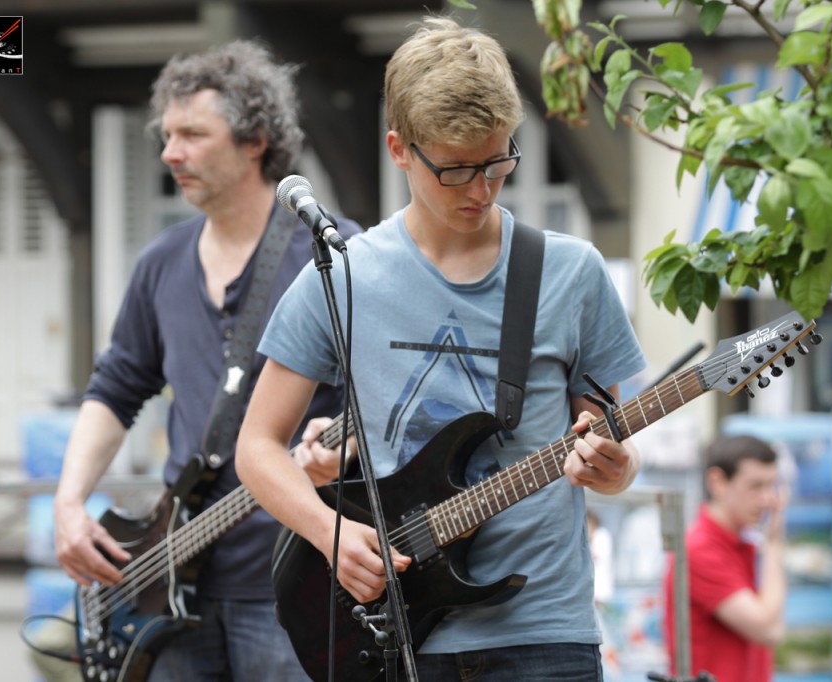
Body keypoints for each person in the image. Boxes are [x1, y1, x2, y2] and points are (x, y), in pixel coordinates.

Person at [236, 16, 647, 681]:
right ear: (400, 150)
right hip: (393, 636)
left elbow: (607, 442)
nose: (481, 191)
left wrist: (615, 469)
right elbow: (257, 447)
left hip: (546, 632)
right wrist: (329, 534)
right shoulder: (343, 274)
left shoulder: (573, 272)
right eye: (456, 171)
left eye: (498, 163)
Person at [53, 40, 361, 680]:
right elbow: (115, 389)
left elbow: (391, 397)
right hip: (168, 584)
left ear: (255, 141)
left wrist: (348, 450)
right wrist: (69, 502)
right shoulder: (160, 262)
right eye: (167, 135)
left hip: (297, 582)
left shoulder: (333, 254)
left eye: (192, 134)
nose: (170, 153)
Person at [664, 434, 788, 682]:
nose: (768, 499)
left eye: (771, 485)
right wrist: (773, 543)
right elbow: (768, 629)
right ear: (718, 482)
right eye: (755, 486)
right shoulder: (699, 549)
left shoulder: (739, 543)